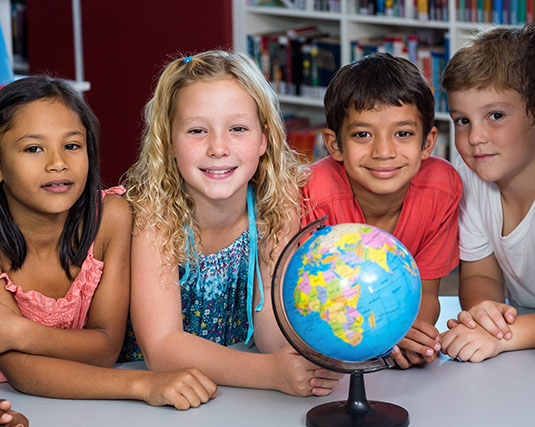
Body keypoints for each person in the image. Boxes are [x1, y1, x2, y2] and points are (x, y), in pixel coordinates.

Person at [123, 50, 343, 396]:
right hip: (153, 395)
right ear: (168, 143)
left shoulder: (276, 202)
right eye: (197, 130)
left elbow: (271, 321)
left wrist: (301, 359)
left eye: (238, 128)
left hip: (232, 394)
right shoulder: (153, 212)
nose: (218, 148)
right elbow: (161, 347)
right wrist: (271, 373)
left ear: (263, 140)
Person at [0, 76, 216, 409]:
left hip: (82, 400)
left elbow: (104, 348)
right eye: (33, 148)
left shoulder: (110, 218)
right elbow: (20, 369)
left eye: (72, 145)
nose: (58, 163)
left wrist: (17, 333)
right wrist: (144, 384)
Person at [301, 53, 462, 369]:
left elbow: (426, 293)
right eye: (363, 134)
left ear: (428, 142)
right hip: (324, 353)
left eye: (403, 133)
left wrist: (412, 336)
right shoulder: (312, 194)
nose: (384, 152)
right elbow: (302, 302)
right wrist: (381, 337)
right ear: (334, 145)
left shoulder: (441, 189)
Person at [440, 24, 535, 362]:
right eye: (462, 120)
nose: (475, 137)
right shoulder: (470, 176)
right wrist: (485, 315)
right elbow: (480, 273)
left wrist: (504, 337)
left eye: (495, 115)